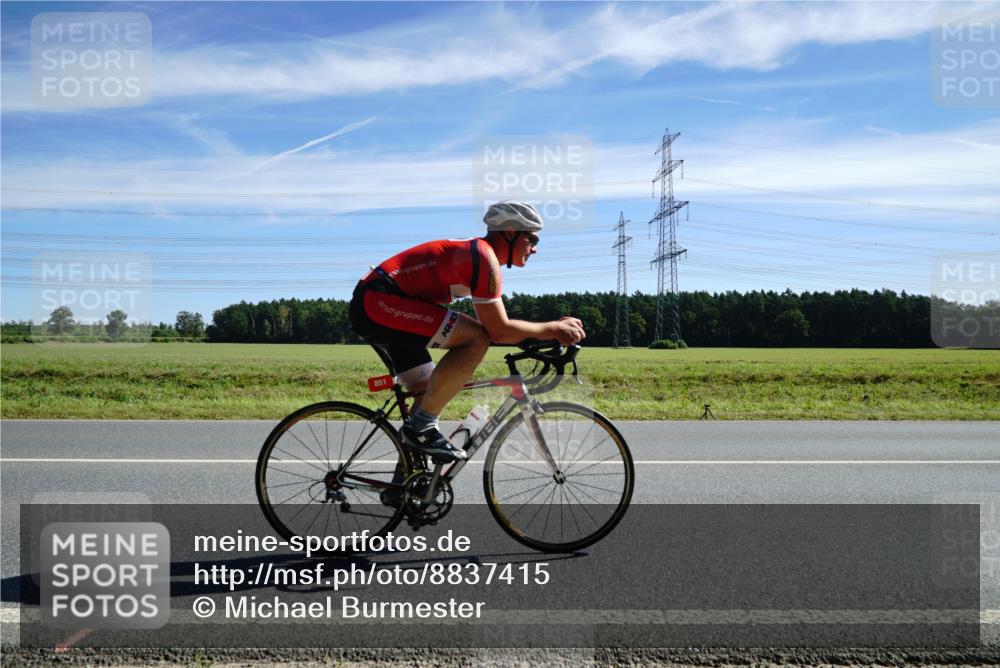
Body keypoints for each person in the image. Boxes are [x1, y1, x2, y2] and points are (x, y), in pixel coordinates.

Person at [348, 201, 586, 462]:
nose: (535, 247)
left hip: (383, 302)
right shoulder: (483, 257)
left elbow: (498, 325)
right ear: (509, 231)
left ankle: (406, 487)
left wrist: (547, 333)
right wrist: (553, 329)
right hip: (380, 301)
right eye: (531, 238)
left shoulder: (480, 255)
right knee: (476, 338)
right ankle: (422, 428)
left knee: (428, 393)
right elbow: (498, 331)